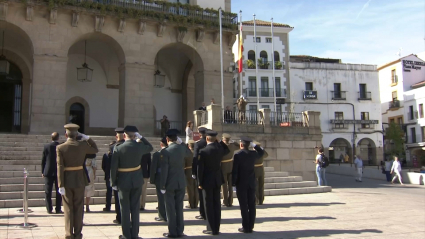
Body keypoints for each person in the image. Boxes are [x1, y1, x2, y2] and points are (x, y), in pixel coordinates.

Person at [111, 125, 153, 239]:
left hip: (123, 180)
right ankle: (135, 234)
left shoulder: (118, 148)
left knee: (124, 209)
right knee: (135, 208)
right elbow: (150, 147)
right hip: (136, 180)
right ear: (135, 136)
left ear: (124, 135)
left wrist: (113, 182)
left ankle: (126, 234)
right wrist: (142, 137)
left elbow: (113, 167)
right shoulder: (139, 146)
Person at [57, 124, 98, 239]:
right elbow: (95, 149)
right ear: (77, 135)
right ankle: (78, 234)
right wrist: (88, 138)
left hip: (67, 179)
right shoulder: (83, 145)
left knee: (68, 208)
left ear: (66, 135)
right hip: (80, 179)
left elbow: (60, 166)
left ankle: (69, 234)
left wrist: (61, 184)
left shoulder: (60, 148)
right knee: (79, 208)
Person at [161, 129, 192, 238]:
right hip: (180, 181)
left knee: (170, 208)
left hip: (169, 182)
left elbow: (164, 170)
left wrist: (162, 185)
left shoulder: (165, 151)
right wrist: (182, 143)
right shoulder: (181, 149)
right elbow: (189, 154)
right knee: (179, 207)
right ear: (176, 139)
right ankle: (180, 230)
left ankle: (172, 232)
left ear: (167, 139)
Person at [198, 130, 229, 235]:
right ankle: (216, 227)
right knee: (217, 204)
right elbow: (227, 149)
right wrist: (219, 141)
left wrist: (200, 182)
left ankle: (211, 228)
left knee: (209, 205)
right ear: (215, 139)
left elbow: (200, 169)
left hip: (207, 180)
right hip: (217, 179)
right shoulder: (219, 149)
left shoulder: (203, 151)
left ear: (207, 138)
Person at [232, 136, 264, 233]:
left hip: (241, 184)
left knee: (244, 206)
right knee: (251, 205)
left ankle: (245, 226)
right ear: (248, 145)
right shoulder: (253, 154)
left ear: (241, 144)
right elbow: (262, 152)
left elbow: (235, 171)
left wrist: (233, 183)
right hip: (251, 183)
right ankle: (251, 226)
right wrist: (254, 145)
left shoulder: (238, 155)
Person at [41, 132, 62, 214]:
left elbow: (43, 160)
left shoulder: (47, 146)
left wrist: (42, 171)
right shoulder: (61, 146)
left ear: (51, 138)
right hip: (58, 171)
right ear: (58, 138)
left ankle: (49, 208)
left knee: (48, 191)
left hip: (48, 171)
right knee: (59, 191)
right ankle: (58, 208)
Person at [150, 137, 168, 222]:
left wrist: (152, 179)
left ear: (161, 144)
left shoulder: (157, 154)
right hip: (170, 177)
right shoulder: (171, 153)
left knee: (161, 198)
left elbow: (153, 168)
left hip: (160, 178)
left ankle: (162, 215)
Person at [192, 127, 208, 220]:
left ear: (199, 133)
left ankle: (202, 213)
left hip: (200, 170)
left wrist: (194, 171)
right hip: (210, 170)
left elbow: (195, 159)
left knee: (201, 194)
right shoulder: (211, 143)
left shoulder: (198, 144)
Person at [110, 128, 126, 223]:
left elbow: (112, 165)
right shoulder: (129, 145)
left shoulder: (114, 147)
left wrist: (112, 180)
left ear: (117, 136)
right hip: (129, 176)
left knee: (118, 199)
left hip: (118, 176)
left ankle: (119, 218)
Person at [220, 133, 239, 207]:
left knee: (224, 185)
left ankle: (225, 201)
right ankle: (230, 201)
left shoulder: (221, 146)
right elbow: (239, 146)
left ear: (223, 139)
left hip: (223, 166)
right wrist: (233, 141)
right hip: (231, 166)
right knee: (230, 185)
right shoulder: (232, 145)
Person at [101, 140, 115, 212]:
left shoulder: (106, 155)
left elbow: (103, 166)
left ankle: (108, 206)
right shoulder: (115, 155)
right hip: (115, 175)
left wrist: (106, 172)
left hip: (108, 175)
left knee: (109, 192)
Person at [253, 141, 268, 205]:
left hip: (255, 169)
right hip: (261, 169)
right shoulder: (262, 153)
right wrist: (262, 149)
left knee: (256, 185)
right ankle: (261, 199)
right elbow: (266, 155)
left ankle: (257, 199)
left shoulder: (254, 153)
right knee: (261, 185)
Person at [184, 140, 198, 209]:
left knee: (190, 188)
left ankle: (191, 204)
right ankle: (196, 203)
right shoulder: (197, 153)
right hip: (196, 171)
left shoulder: (187, 153)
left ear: (189, 146)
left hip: (188, 171)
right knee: (196, 188)